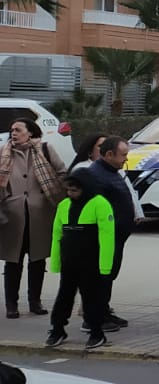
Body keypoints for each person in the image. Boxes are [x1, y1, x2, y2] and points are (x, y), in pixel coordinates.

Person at [1, 117, 67, 319]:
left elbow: (62, 173)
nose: (13, 133)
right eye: (12, 130)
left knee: (37, 261)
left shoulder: (45, 149)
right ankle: (11, 304)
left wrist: (50, 194)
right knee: (13, 262)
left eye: (18, 129)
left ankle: (35, 302)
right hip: (12, 216)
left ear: (30, 132)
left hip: (40, 215)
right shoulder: (4, 153)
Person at [46, 167, 116, 349]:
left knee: (91, 298)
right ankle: (57, 329)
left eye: (74, 190)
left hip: (90, 262)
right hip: (69, 261)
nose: (70, 193)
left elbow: (107, 237)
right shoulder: (64, 205)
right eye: (68, 190)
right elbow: (57, 235)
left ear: (85, 188)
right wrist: (56, 262)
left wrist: (105, 267)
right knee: (64, 296)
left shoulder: (100, 204)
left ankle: (96, 332)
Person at [79, 136, 136, 324]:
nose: (126, 159)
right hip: (101, 239)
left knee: (107, 277)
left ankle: (103, 311)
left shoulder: (111, 171)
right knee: (98, 278)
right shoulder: (96, 176)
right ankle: (93, 318)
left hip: (114, 238)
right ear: (109, 154)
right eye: (123, 155)